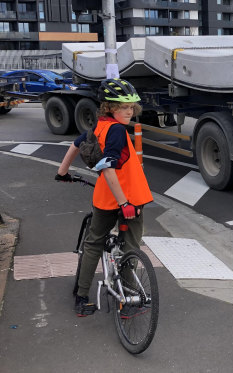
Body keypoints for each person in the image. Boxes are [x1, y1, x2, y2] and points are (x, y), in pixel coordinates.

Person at [55, 78, 153, 317]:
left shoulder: (100, 126)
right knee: (131, 247)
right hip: (128, 199)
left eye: (131, 107)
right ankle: (128, 300)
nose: (129, 111)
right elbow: (107, 167)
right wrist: (125, 203)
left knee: (93, 244)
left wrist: (62, 172)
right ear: (110, 107)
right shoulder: (118, 131)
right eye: (123, 107)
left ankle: (81, 296)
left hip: (103, 199)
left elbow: (76, 144)